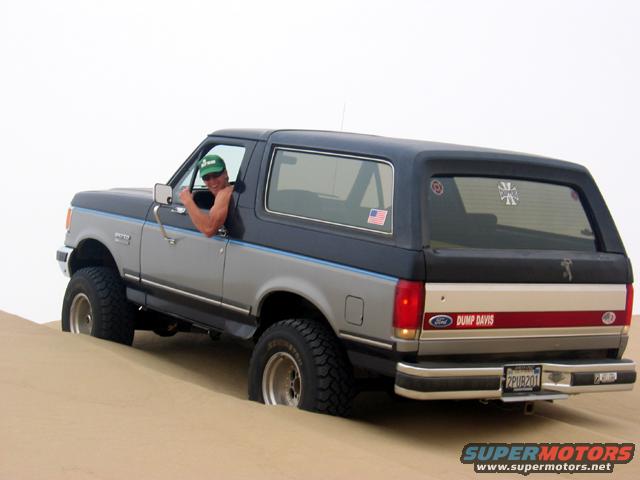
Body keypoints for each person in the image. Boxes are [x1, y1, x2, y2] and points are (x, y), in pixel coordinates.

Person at [179, 154, 233, 237]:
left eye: (216, 175)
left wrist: (188, 202)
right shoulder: (232, 191)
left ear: (225, 173)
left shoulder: (225, 193)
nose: (212, 181)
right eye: (206, 177)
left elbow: (209, 229)